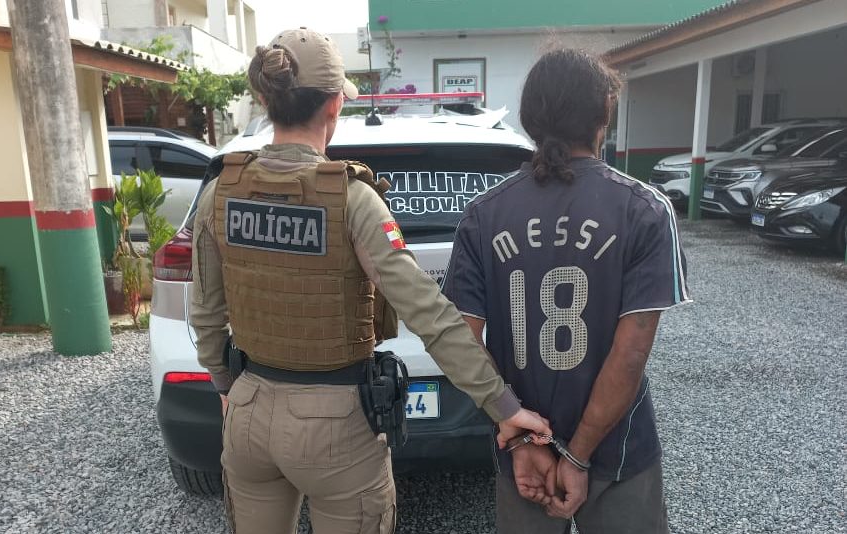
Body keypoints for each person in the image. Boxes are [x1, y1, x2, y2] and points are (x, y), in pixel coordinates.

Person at [188, 27, 551, 534]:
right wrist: (502, 406)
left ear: (266, 100)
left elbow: (205, 316)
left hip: (248, 413)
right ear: (335, 106)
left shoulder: (219, 194)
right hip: (336, 429)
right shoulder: (353, 201)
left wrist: (227, 387)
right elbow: (429, 315)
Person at [442, 47, 691, 533]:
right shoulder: (644, 209)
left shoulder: (483, 214)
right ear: (604, 114)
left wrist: (518, 436)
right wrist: (578, 456)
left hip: (523, 455)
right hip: (619, 452)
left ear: (531, 119)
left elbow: (460, 343)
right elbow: (631, 352)